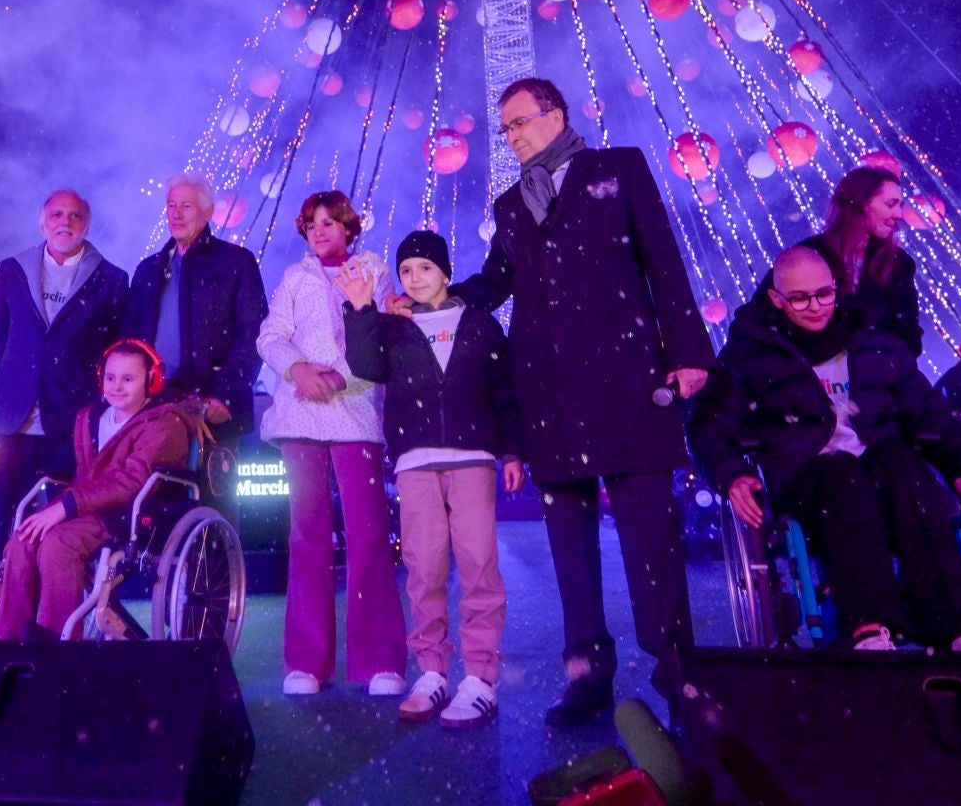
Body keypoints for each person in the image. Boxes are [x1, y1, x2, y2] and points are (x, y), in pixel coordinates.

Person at [424, 76, 713, 727]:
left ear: (556, 115)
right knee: (569, 545)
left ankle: (678, 670)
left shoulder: (619, 168)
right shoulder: (510, 204)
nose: (513, 136)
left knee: (651, 539)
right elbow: (496, 282)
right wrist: (435, 299)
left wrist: (689, 350)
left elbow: (662, 260)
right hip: (549, 391)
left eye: (520, 122)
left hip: (629, 380)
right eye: (505, 129)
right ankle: (587, 672)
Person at [691, 245, 961, 651]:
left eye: (824, 294)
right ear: (776, 299)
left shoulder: (877, 344)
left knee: (899, 464)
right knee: (842, 474)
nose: (815, 307)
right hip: (809, 478)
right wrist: (731, 473)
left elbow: (932, 416)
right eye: (799, 298)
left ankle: (960, 625)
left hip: (884, 471)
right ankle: (868, 623)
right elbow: (709, 425)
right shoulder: (749, 356)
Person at [341, 230, 521, 730]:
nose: (414, 278)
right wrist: (360, 311)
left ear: (445, 272)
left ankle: (480, 677)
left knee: (479, 563)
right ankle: (432, 670)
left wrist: (511, 451)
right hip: (415, 459)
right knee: (424, 568)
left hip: (473, 456)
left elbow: (503, 391)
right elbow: (365, 365)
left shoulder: (481, 325)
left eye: (424, 268)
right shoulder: (393, 327)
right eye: (405, 271)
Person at [256, 190, 406, 698]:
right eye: (311, 224)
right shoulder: (295, 277)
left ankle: (379, 660)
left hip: (357, 413)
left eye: (329, 222)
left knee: (367, 535)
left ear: (349, 227)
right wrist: (298, 368)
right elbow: (271, 335)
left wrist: (340, 378)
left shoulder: (372, 270)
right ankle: (306, 661)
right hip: (299, 413)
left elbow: (378, 337)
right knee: (308, 536)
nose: (319, 231)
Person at [0, 339, 198, 641]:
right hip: (85, 507)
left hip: (129, 516)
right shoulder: (89, 418)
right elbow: (81, 476)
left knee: (58, 544)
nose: (117, 386)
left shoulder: (164, 423)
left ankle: (56, 646)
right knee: (24, 539)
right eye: (111, 377)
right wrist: (63, 506)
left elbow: (131, 483)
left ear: (151, 381)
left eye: (129, 379)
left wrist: (66, 506)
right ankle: (5, 642)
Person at [0, 189, 129, 553]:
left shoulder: (111, 280)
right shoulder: (11, 270)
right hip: (11, 421)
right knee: (3, 527)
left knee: (64, 532)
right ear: (43, 222)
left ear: (87, 224)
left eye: (75, 215)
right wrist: (28, 375)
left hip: (72, 423)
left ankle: (59, 611)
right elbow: (3, 338)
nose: (65, 221)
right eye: (57, 214)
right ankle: (0, 610)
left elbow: (113, 348)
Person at [121, 174, 267, 434]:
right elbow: (130, 341)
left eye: (186, 206)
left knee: (209, 476)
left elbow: (254, 334)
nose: (176, 214)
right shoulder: (148, 270)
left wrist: (226, 394)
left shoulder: (237, 262)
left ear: (208, 211)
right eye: (171, 205)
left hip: (213, 408)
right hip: (153, 408)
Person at [744, 166, 922, 357]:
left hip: (879, 378)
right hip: (809, 378)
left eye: (900, 206)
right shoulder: (807, 256)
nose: (899, 214)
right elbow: (757, 318)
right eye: (890, 204)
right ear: (860, 203)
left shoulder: (899, 264)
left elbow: (909, 335)